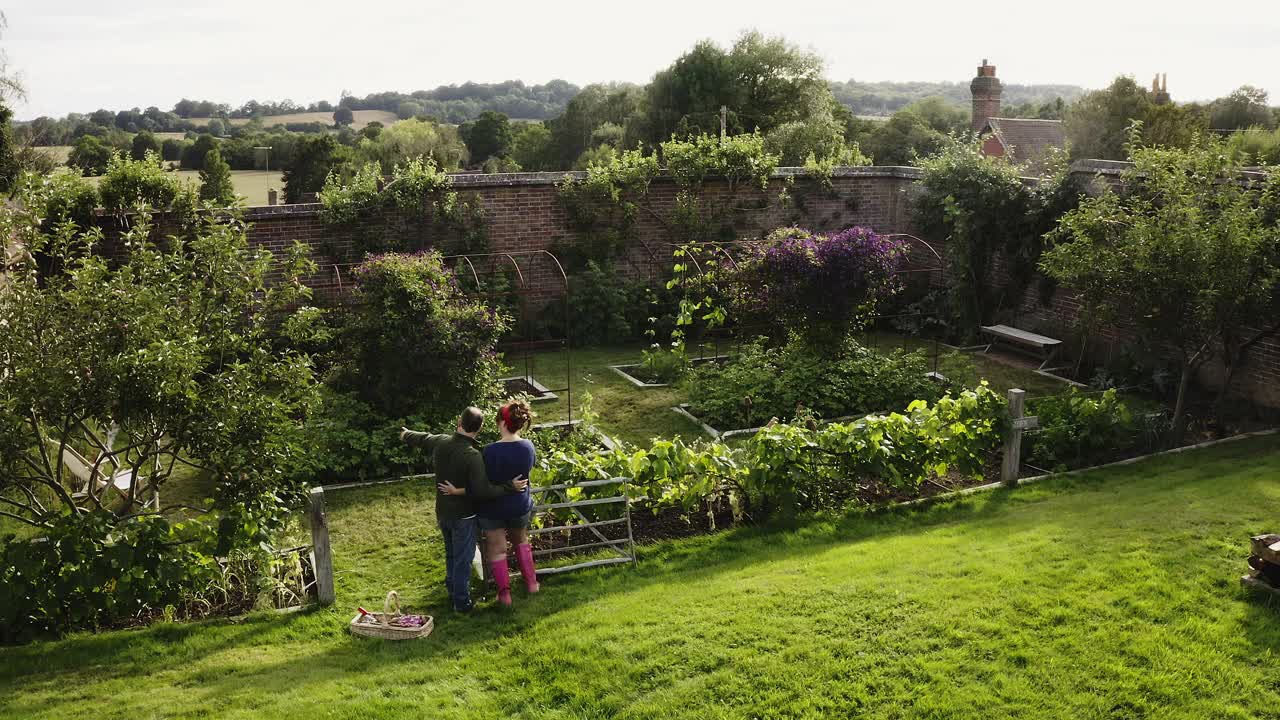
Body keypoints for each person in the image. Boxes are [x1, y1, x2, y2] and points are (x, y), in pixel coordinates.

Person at [401, 407, 526, 613]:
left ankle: (452, 591)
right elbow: (483, 491)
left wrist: (406, 434)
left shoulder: (442, 441)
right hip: (464, 516)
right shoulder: (472, 455)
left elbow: (424, 438)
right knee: (463, 559)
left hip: (442, 512)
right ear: (479, 428)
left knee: (451, 554)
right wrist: (509, 487)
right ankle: (462, 602)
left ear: (459, 421)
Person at [471, 400, 539, 606]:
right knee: (521, 541)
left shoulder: (490, 451)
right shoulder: (528, 446)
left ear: (501, 423)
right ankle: (532, 584)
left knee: (497, 549)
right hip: (519, 505)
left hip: (493, 507)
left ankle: (505, 595)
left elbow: (487, 479)